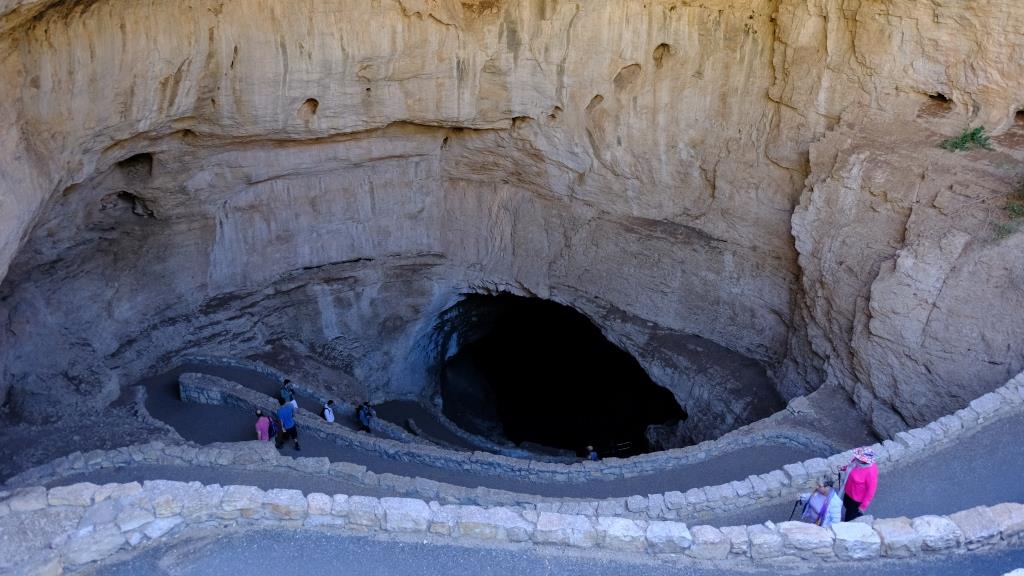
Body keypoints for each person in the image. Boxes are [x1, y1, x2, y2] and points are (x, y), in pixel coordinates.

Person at [841, 446, 878, 521]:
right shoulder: (856, 461)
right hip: (848, 492)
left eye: (858, 457)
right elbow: (850, 466)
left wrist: (863, 506)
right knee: (846, 505)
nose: (856, 457)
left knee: (850, 517)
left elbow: (871, 491)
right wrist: (844, 468)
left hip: (856, 499)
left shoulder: (871, 472)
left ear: (864, 461)